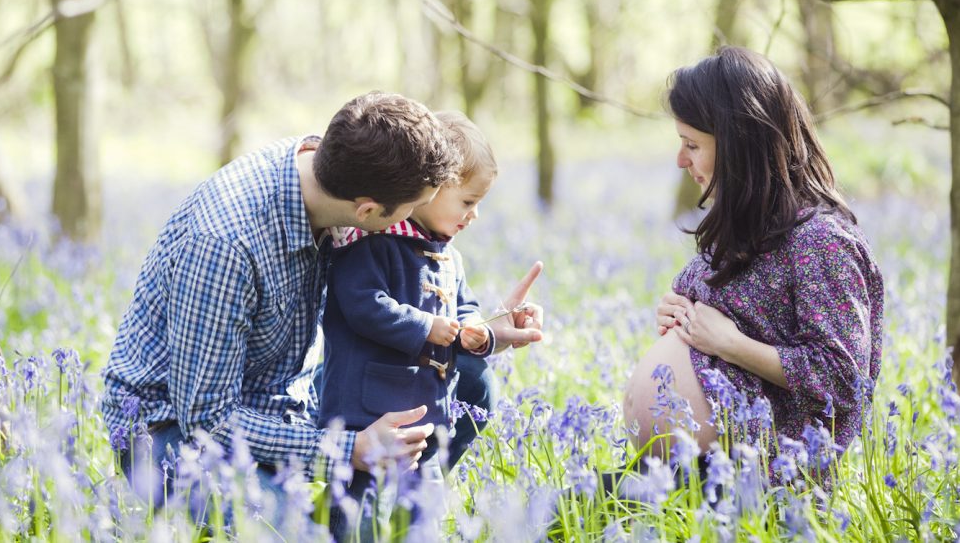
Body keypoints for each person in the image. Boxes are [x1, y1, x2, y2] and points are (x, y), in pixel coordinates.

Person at [100, 92, 545, 526]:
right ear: (369, 211)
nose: (419, 220)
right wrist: (348, 447)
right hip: (177, 430)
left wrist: (483, 330)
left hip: (288, 396)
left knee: (471, 378)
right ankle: (335, 517)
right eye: (413, 211)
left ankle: (392, 505)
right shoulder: (226, 247)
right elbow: (208, 421)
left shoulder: (336, 164)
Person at [622, 47, 884, 472]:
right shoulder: (744, 229)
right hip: (682, 474)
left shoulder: (822, 242)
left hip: (757, 489)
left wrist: (732, 345)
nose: (680, 160)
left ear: (739, 144)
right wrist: (677, 314)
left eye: (692, 144)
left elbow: (842, 378)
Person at [318, 111, 504, 536]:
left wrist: (476, 330)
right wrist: (425, 326)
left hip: (425, 411)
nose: (473, 216)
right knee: (355, 508)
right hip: (364, 412)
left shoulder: (448, 256)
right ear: (432, 188)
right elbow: (361, 303)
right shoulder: (371, 241)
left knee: (423, 510)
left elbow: (465, 305)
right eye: (468, 202)